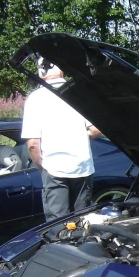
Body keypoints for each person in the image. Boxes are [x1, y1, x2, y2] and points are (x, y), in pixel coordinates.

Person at [21, 58, 102, 221]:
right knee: (83, 220)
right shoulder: (79, 93)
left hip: (54, 169)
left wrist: (42, 167)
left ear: (40, 72)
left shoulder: (36, 99)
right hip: (83, 168)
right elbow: (97, 128)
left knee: (58, 225)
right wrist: (76, 135)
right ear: (62, 71)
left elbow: (32, 144)